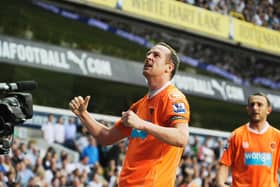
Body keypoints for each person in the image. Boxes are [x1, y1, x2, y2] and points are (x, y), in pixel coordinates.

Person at [69, 42, 190, 187]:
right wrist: (83, 114)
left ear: (168, 68)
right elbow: (107, 137)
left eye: (156, 55)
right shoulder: (139, 105)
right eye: (149, 54)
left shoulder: (173, 98)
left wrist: (143, 124)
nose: (149, 57)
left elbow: (181, 137)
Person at [217, 92, 280, 187]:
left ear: (268, 110)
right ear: (247, 109)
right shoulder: (236, 135)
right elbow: (225, 164)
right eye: (252, 105)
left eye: (259, 104)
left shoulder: (277, 136)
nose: (255, 107)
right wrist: (220, 184)